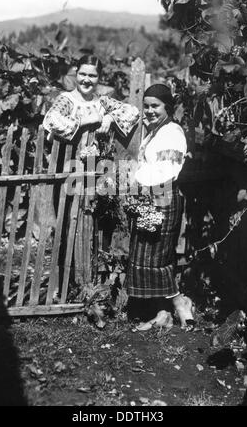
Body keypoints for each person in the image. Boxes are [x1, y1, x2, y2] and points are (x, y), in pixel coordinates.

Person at [42, 55, 139, 289]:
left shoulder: (102, 101)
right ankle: (64, 283)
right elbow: (51, 120)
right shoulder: (67, 100)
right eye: (83, 74)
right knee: (67, 224)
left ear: (99, 78)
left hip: (97, 173)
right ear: (76, 74)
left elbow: (132, 112)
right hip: (69, 171)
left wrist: (108, 116)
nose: (86, 79)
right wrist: (86, 121)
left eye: (92, 75)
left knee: (96, 224)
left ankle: (92, 281)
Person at [126, 84, 194, 331]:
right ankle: (164, 312)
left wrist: (139, 178)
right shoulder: (155, 131)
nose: (150, 110)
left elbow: (168, 168)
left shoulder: (172, 132)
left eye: (155, 106)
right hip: (152, 198)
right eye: (146, 106)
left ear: (168, 106)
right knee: (150, 255)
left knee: (156, 256)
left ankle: (178, 304)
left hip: (163, 198)